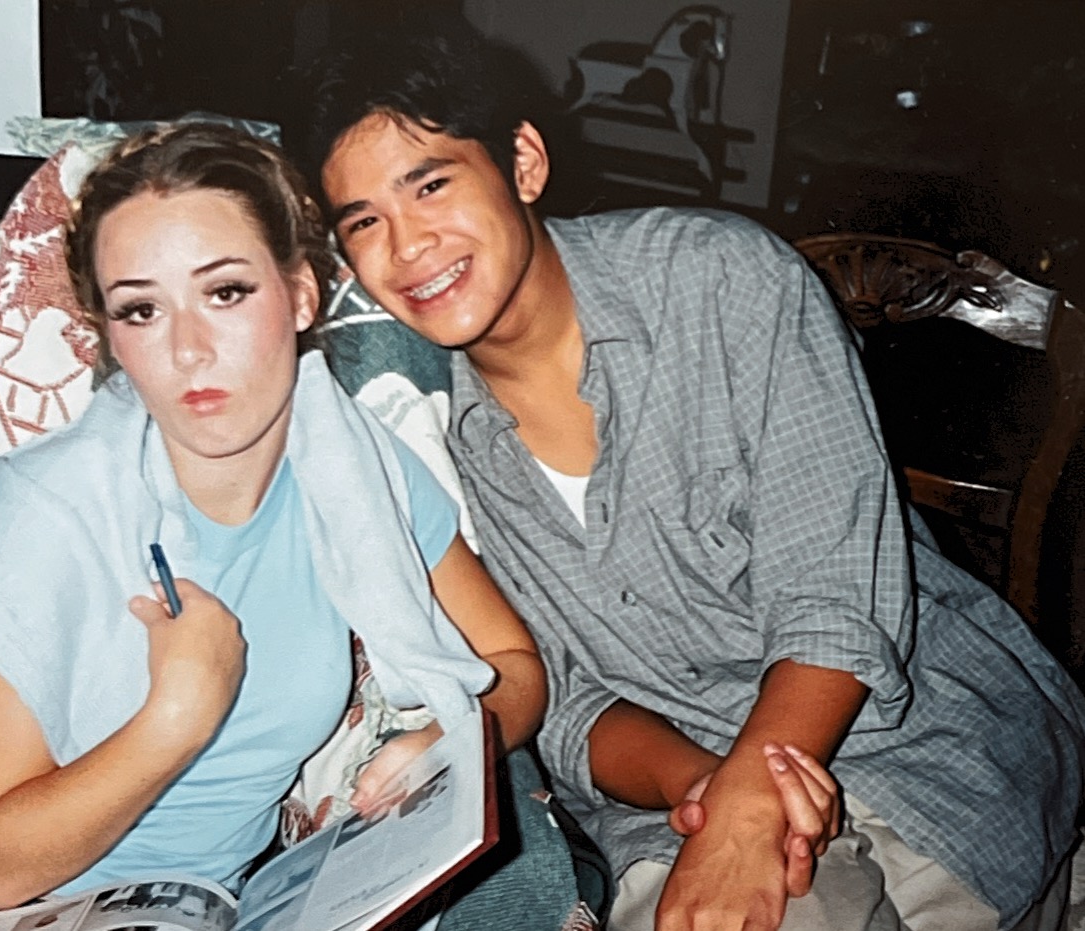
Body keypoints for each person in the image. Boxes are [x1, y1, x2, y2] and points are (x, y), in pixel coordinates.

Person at [300, 24, 1085, 931]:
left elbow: (834, 598)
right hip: (671, 803)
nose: (407, 245)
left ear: (522, 163)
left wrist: (752, 800)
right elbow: (565, 701)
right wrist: (709, 793)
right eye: (363, 222)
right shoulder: (420, 436)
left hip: (909, 744)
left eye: (430, 184)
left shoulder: (719, 279)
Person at [0, 122, 546, 931]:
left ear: (300, 294)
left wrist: (450, 741)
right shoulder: (42, 509)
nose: (188, 349)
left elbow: (512, 666)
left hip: (220, 909)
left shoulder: (359, 467)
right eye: (141, 309)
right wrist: (175, 717)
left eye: (224, 293)